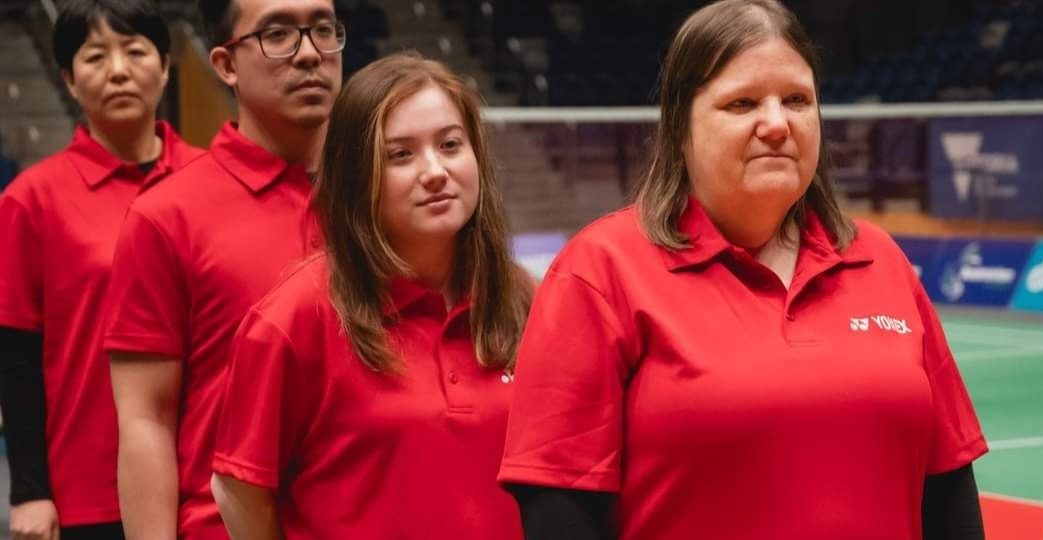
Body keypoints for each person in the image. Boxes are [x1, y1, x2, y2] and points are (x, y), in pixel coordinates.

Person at [498, 1, 988, 539]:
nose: (776, 124)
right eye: (742, 103)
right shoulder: (599, 270)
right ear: (681, 126)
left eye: (797, 100)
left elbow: (947, 486)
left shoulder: (881, 259)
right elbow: (557, 508)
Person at [210, 52, 533, 540]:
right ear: (358, 175)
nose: (434, 171)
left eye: (450, 145)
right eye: (400, 154)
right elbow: (237, 489)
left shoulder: (527, 297)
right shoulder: (294, 318)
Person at [101, 0, 343, 537]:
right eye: (277, 33)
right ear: (226, 64)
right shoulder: (166, 217)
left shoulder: (379, 202)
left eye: (323, 29)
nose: (309, 54)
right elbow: (146, 420)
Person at [0, 1, 203, 539]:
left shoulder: (209, 181)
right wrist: (29, 490)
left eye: (136, 51)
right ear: (68, 79)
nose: (118, 70)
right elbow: (15, 355)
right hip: (88, 492)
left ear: (164, 67)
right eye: (95, 57)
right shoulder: (30, 200)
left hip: (209, 482)